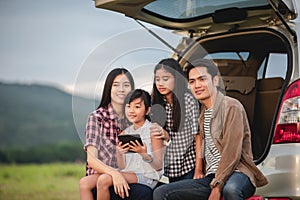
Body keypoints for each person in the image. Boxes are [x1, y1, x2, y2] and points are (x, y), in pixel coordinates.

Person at [153, 59, 268, 200]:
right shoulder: (202, 114)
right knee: (161, 193)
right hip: (211, 177)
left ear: (215, 81)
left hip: (237, 172)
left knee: (230, 190)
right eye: (192, 81)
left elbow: (232, 153)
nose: (197, 85)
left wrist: (217, 186)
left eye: (202, 79)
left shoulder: (230, 106)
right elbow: (200, 144)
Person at [79, 68, 152, 200]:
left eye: (126, 85)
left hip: (129, 174)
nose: (121, 89)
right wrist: (115, 174)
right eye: (116, 85)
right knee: (85, 183)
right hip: (101, 177)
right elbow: (92, 159)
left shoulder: (134, 117)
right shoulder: (97, 117)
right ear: (109, 88)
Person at [96, 89, 164, 200]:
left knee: (103, 180)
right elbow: (123, 166)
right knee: (99, 180)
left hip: (147, 176)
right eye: (128, 106)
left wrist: (144, 155)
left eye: (137, 107)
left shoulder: (153, 130)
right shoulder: (125, 133)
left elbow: (158, 166)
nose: (131, 111)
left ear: (147, 110)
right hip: (130, 174)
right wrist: (119, 153)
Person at [150, 58, 203, 183]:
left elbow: (198, 137)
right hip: (171, 169)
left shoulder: (188, 100)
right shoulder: (157, 104)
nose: (160, 83)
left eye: (165, 79)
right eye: (157, 79)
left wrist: (199, 169)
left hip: (189, 166)